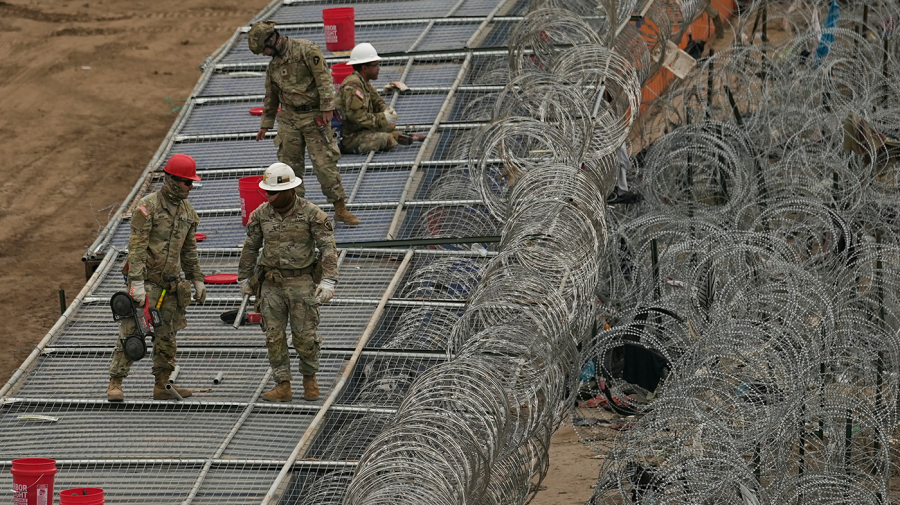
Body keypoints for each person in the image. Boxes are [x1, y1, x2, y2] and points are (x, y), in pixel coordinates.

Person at [107, 154, 207, 402]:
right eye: (187, 182)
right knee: (133, 331)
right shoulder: (148, 206)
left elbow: (188, 249)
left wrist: (197, 278)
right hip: (147, 281)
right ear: (173, 180)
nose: (190, 187)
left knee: (167, 336)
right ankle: (115, 383)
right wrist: (137, 282)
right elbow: (137, 246)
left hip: (171, 285)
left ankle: (162, 385)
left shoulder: (187, 212)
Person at [237, 163, 339, 402]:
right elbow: (250, 248)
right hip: (271, 283)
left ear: (289, 190)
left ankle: (309, 380)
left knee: (305, 335)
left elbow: (328, 248)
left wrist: (328, 281)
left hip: (301, 281)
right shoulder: (261, 214)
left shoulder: (312, 214)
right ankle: (283, 385)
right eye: (267, 192)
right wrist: (244, 278)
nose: (269, 197)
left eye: (273, 192)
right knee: (273, 336)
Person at [247, 20, 360, 226]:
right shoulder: (273, 67)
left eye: (265, 49)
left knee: (325, 165)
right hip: (289, 120)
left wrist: (327, 107)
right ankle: (294, 213)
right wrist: (266, 124)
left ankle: (340, 209)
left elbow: (324, 78)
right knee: (289, 169)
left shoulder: (307, 50)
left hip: (314, 118)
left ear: (272, 39)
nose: (265, 54)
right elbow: (271, 96)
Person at [336, 43, 424, 154]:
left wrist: (387, 112)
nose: (379, 68)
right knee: (386, 140)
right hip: (349, 137)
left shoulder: (364, 84)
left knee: (390, 129)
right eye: (375, 65)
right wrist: (383, 118)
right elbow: (357, 116)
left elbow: (377, 101)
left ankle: (392, 135)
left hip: (361, 129)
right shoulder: (353, 86)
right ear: (365, 68)